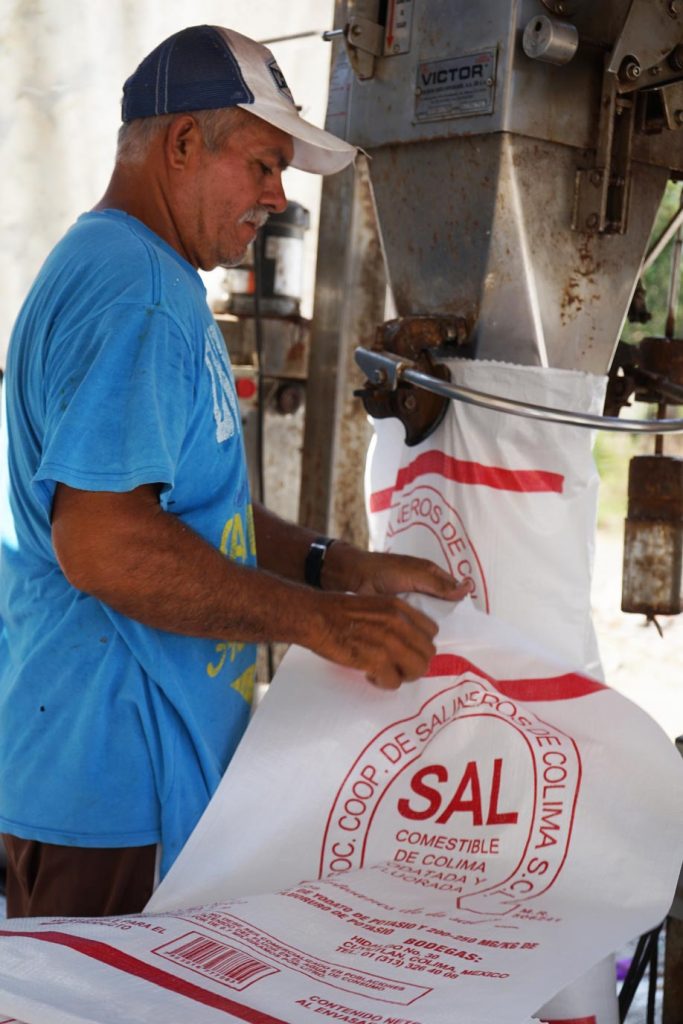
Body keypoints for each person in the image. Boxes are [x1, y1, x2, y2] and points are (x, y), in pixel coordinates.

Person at [0, 25, 471, 919]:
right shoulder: (136, 295)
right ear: (182, 143)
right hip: (113, 789)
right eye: (261, 164)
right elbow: (105, 544)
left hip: (104, 772)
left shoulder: (138, 273)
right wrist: (319, 623)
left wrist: (330, 563)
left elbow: (180, 513)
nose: (276, 197)